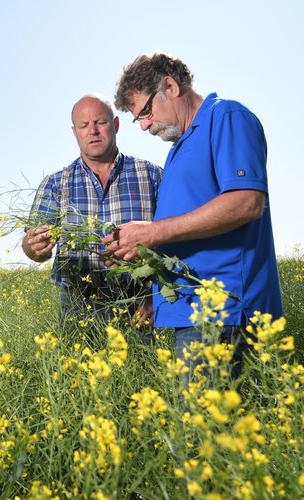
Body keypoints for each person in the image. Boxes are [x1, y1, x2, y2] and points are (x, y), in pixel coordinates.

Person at [103, 53, 283, 383]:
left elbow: (246, 202)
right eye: (137, 120)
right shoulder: (179, 149)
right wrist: (156, 289)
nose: (144, 125)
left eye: (144, 112)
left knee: (204, 430)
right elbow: (183, 232)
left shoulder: (226, 117)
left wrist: (151, 233)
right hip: (193, 310)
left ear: (170, 86)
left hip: (224, 311)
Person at [23, 93, 162, 344]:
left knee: (141, 379)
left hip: (140, 306)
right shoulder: (56, 183)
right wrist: (34, 247)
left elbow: (172, 236)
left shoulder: (151, 175)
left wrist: (156, 295)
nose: (93, 131)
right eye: (84, 126)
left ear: (116, 125)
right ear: (74, 132)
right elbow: (34, 249)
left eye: (100, 122)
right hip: (78, 308)